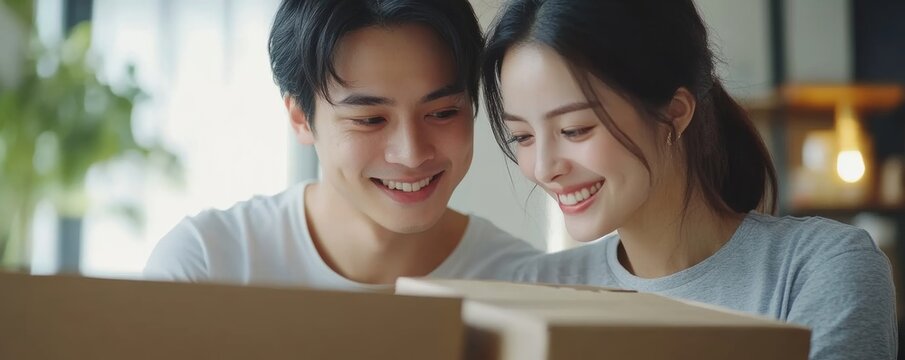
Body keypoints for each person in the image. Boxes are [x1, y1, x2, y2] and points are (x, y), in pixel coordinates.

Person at [481, 0, 897, 358]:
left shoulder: (821, 268)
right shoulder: (533, 291)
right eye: (523, 137)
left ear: (675, 113)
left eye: (574, 130)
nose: (543, 168)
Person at [144, 0, 540, 291]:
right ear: (301, 118)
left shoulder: (526, 283)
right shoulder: (207, 265)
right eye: (370, 120)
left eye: (442, 113)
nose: (412, 153)